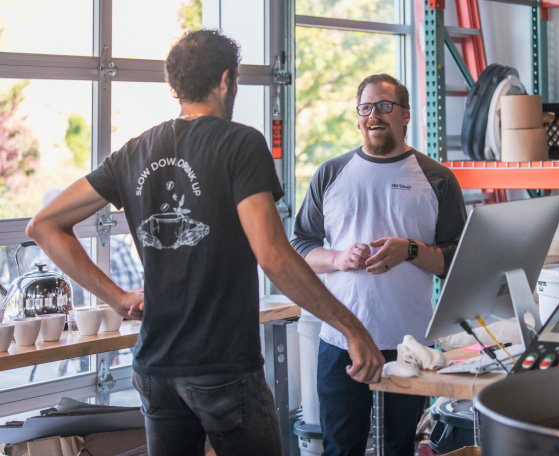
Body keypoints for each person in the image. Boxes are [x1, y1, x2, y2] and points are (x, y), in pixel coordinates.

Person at [26, 29, 384, 456]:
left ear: (175, 86)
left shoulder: (134, 151)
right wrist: (352, 327)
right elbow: (272, 255)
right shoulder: (240, 143)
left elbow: (43, 225)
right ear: (226, 81)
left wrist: (118, 298)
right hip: (222, 367)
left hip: (156, 367)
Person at [291, 74, 467, 456]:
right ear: (358, 119)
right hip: (341, 340)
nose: (375, 115)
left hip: (410, 343)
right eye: (366, 108)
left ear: (405, 115)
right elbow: (300, 245)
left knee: (399, 447)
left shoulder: (437, 179)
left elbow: (457, 261)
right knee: (340, 448)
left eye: (385, 106)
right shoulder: (330, 174)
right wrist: (338, 258)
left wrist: (411, 250)